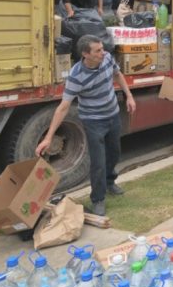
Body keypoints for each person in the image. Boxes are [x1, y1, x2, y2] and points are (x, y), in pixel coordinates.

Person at [35, 35, 136, 216]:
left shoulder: (107, 58)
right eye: (98, 51)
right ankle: (98, 199)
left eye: (102, 48)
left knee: (114, 152)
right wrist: (48, 137)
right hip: (93, 121)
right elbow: (63, 107)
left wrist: (129, 96)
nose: (103, 52)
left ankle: (110, 182)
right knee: (98, 161)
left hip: (113, 115)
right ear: (85, 54)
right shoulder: (76, 76)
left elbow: (117, 74)